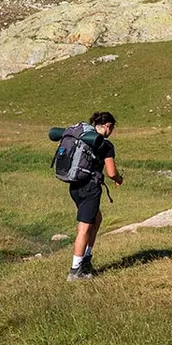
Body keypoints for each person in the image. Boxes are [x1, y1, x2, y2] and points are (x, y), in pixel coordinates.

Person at [49, 111, 124, 281]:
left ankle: (87, 258)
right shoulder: (105, 145)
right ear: (108, 126)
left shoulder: (80, 138)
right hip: (90, 187)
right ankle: (76, 271)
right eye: (111, 128)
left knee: (96, 218)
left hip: (75, 186)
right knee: (84, 228)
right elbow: (111, 173)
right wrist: (119, 179)